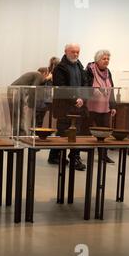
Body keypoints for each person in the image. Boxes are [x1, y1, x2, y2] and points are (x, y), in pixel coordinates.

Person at [48, 43, 89, 171]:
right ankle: (57, 156)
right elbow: (61, 87)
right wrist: (74, 99)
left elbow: (85, 83)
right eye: (73, 52)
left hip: (79, 105)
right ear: (66, 51)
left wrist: (82, 98)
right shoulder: (60, 68)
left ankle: (74, 156)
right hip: (64, 106)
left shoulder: (80, 66)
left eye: (78, 52)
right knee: (63, 132)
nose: (76, 54)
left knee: (77, 132)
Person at [86, 50, 117, 163]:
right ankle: (83, 154)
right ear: (97, 60)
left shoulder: (108, 72)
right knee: (86, 132)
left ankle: (103, 155)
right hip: (90, 107)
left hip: (105, 108)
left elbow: (111, 90)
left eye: (108, 59)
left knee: (104, 133)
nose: (107, 61)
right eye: (104, 58)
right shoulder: (90, 70)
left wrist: (113, 106)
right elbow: (86, 87)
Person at [10, 68, 49, 135]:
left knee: (17, 114)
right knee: (18, 114)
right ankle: (18, 134)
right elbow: (33, 89)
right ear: (45, 73)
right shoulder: (39, 75)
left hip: (14, 90)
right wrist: (31, 105)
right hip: (16, 91)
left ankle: (19, 134)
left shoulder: (34, 74)